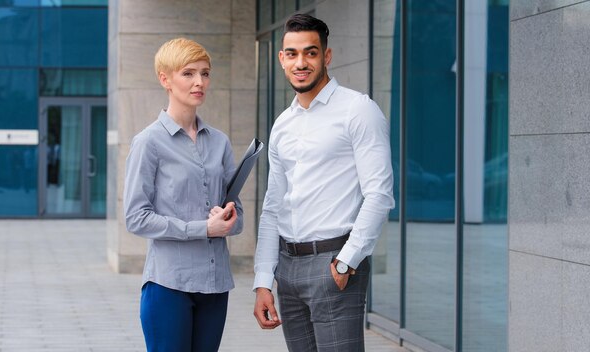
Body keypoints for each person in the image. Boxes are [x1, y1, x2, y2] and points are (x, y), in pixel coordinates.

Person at [252, 13, 395, 352]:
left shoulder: (358, 110)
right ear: (282, 59)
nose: (301, 62)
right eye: (292, 53)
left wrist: (347, 261)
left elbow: (379, 194)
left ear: (326, 56)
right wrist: (262, 281)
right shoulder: (282, 124)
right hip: (287, 269)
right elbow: (272, 206)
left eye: (311, 52)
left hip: (334, 262)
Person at [124, 37, 242, 352]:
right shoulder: (148, 142)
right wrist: (202, 228)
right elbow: (136, 218)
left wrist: (229, 219)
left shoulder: (220, 142)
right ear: (165, 79)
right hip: (168, 286)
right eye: (188, 73)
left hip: (215, 286)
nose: (199, 82)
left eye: (205, 73)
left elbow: (238, 214)